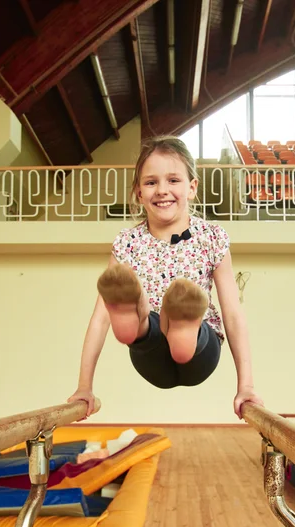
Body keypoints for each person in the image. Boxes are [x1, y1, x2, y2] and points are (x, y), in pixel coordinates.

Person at [67, 136, 263, 419]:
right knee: (150, 327)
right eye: (150, 182)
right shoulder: (128, 243)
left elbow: (232, 313)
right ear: (138, 192)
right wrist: (84, 387)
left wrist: (246, 385)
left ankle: (182, 325)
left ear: (192, 187)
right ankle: (143, 322)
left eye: (173, 180)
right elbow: (101, 317)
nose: (162, 190)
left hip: (201, 351)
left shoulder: (212, 238)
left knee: (188, 320)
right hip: (152, 355)